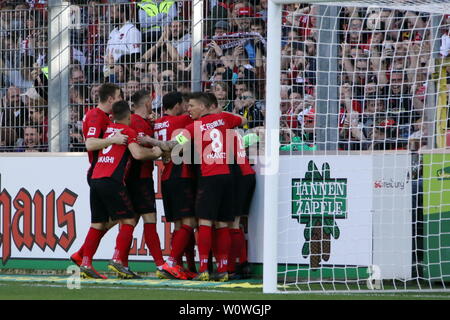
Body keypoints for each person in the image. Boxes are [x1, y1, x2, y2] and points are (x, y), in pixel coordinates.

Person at [172, 92, 247, 281]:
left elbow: (174, 144)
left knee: (205, 222)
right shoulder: (224, 118)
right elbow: (243, 119)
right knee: (222, 223)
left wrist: (155, 144)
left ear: (203, 107)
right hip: (227, 176)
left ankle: (204, 268)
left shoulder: (193, 128)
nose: (188, 109)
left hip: (209, 177)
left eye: (191, 106)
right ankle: (222, 270)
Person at [85, 100, 162, 279]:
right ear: (128, 117)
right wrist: (155, 153)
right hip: (112, 181)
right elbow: (138, 154)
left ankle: (86, 263)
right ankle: (118, 260)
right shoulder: (128, 131)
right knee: (128, 220)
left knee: (97, 223)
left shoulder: (107, 130)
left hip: (95, 179)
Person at [69, 83, 128, 278]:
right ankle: (91, 257)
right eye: (119, 96)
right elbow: (90, 143)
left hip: (101, 174)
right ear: (111, 99)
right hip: (100, 173)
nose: (121, 100)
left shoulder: (105, 117)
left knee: (102, 221)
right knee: (126, 217)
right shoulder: (95, 116)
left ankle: (83, 257)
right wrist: (113, 140)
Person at [147, 91, 197, 280]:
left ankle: (185, 266)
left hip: (166, 175)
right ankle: (173, 262)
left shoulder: (158, 123)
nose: (187, 109)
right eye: (186, 105)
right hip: (181, 173)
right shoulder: (182, 121)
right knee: (189, 222)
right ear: (177, 105)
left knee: (179, 225)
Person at [126, 89, 165, 278]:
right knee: (148, 220)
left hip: (137, 177)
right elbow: (140, 151)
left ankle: (120, 262)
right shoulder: (136, 122)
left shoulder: (142, 122)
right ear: (147, 103)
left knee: (130, 222)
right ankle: (161, 264)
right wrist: (156, 150)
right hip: (139, 178)